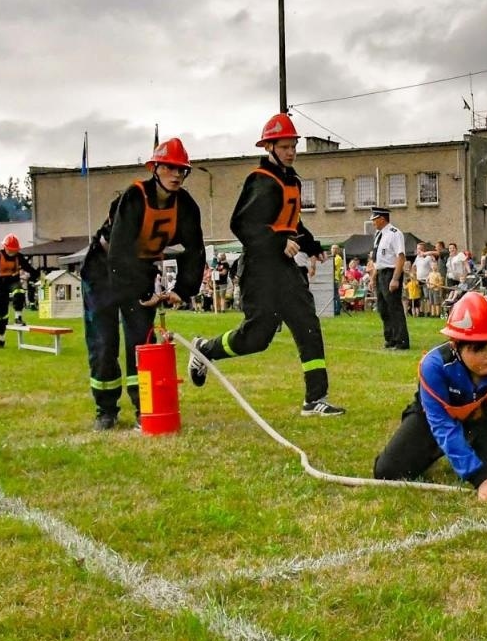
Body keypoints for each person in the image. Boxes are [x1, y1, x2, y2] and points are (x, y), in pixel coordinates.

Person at [190, 114, 343, 415]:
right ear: (269, 147)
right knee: (257, 338)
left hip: (284, 270)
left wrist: (311, 246)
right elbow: (241, 224)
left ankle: (315, 399)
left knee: (307, 324)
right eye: (284, 146)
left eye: (293, 146)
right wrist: (277, 242)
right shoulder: (261, 181)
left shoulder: (291, 180)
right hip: (260, 271)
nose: (290, 151)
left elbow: (291, 221)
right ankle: (205, 350)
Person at [81, 137, 205, 430]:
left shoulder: (186, 207)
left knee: (142, 342)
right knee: (104, 341)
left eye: (181, 170)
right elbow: (121, 252)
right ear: (155, 167)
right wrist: (146, 290)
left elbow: (194, 250)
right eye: (170, 168)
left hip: (138, 272)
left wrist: (182, 290)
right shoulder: (134, 197)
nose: (176, 175)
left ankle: (145, 406)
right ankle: (105, 409)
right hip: (103, 271)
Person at [373, 292, 487, 501]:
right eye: (479, 348)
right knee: (388, 471)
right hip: (433, 422)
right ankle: (446, 452)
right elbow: (442, 426)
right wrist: (479, 479)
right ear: (455, 345)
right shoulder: (433, 367)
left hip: (484, 422)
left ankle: (477, 449)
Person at [369, 206, 409, 349]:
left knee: (394, 307)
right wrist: (373, 277)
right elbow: (377, 260)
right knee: (383, 308)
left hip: (391, 272)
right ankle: (390, 337)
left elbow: (400, 257)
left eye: (374, 219)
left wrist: (395, 278)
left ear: (382, 219)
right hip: (381, 272)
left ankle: (401, 340)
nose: (373, 222)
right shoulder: (378, 235)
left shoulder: (394, 233)